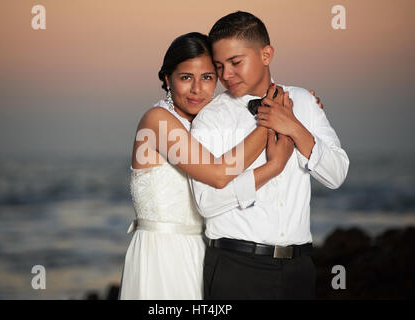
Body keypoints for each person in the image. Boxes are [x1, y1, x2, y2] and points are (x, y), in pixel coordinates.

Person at [118, 32, 292, 300]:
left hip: (206, 253)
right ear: (167, 79)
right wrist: (273, 118)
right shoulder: (157, 121)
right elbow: (220, 175)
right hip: (162, 256)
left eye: (208, 77)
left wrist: (299, 110)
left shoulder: (212, 125)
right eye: (186, 77)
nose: (197, 89)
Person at [189, 11, 349, 299]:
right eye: (219, 66)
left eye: (236, 62)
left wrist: (295, 128)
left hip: (299, 269)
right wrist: (272, 168)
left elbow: (337, 175)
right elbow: (207, 202)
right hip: (236, 270)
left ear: (266, 54)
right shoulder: (210, 119)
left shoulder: (302, 102)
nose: (226, 75)